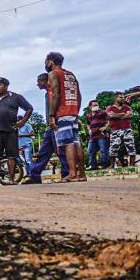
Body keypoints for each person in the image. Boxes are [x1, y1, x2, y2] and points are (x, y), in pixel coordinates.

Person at [0, 77, 33, 186]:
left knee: (11, 156)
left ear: (6, 86)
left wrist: (22, 122)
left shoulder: (16, 97)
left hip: (11, 132)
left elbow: (29, 108)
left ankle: (11, 180)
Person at [45, 51, 86, 182]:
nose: (46, 64)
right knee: (76, 143)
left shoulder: (53, 73)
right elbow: (79, 95)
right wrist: (76, 112)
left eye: (46, 61)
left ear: (51, 61)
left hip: (62, 112)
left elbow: (56, 94)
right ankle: (82, 174)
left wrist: (51, 115)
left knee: (67, 144)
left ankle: (73, 173)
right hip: (73, 112)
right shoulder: (70, 74)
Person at [24, 73, 69, 184]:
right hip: (50, 126)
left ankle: (66, 174)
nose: (37, 83)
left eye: (39, 81)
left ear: (45, 81)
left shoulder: (54, 92)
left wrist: (54, 119)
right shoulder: (46, 94)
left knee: (61, 151)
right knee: (43, 152)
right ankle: (35, 176)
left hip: (56, 124)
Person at [105, 91, 136, 168]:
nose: (123, 99)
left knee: (131, 146)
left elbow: (130, 115)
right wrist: (122, 114)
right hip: (115, 130)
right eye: (121, 97)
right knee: (113, 148)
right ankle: (112, 165)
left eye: (124, 97)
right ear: (116, 98)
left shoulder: (127, 107)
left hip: (127, 129)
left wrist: (116, 116)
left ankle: (132, 164)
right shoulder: (110, 108)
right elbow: (110, 115)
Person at [84, 99, 110, 170]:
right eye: (94, 105)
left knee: (103, 150)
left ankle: (105, 165)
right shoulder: (88, 115)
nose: (96, 106)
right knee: (90, 151)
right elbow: (88, 124)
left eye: (97, 105)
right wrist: (89, 130)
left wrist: (105, 127)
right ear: (90, 107)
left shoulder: (103, 112)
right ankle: (93, 166)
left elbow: (109, 120)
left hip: (102, 135)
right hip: (92, 136)